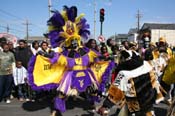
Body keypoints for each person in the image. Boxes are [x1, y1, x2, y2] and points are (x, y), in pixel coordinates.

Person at [28, 6, 114, 115]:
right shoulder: (64, 52)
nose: (74, 42)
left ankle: (93, 106)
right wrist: (44, 54)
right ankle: (55, 111)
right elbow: (55, 58)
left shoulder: (86, 50)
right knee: (62, 93)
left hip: (86, 73)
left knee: (92, 90)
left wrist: (106, 58)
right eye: (71, 40)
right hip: (70, 75)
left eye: (75, 40)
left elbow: (96, 56)